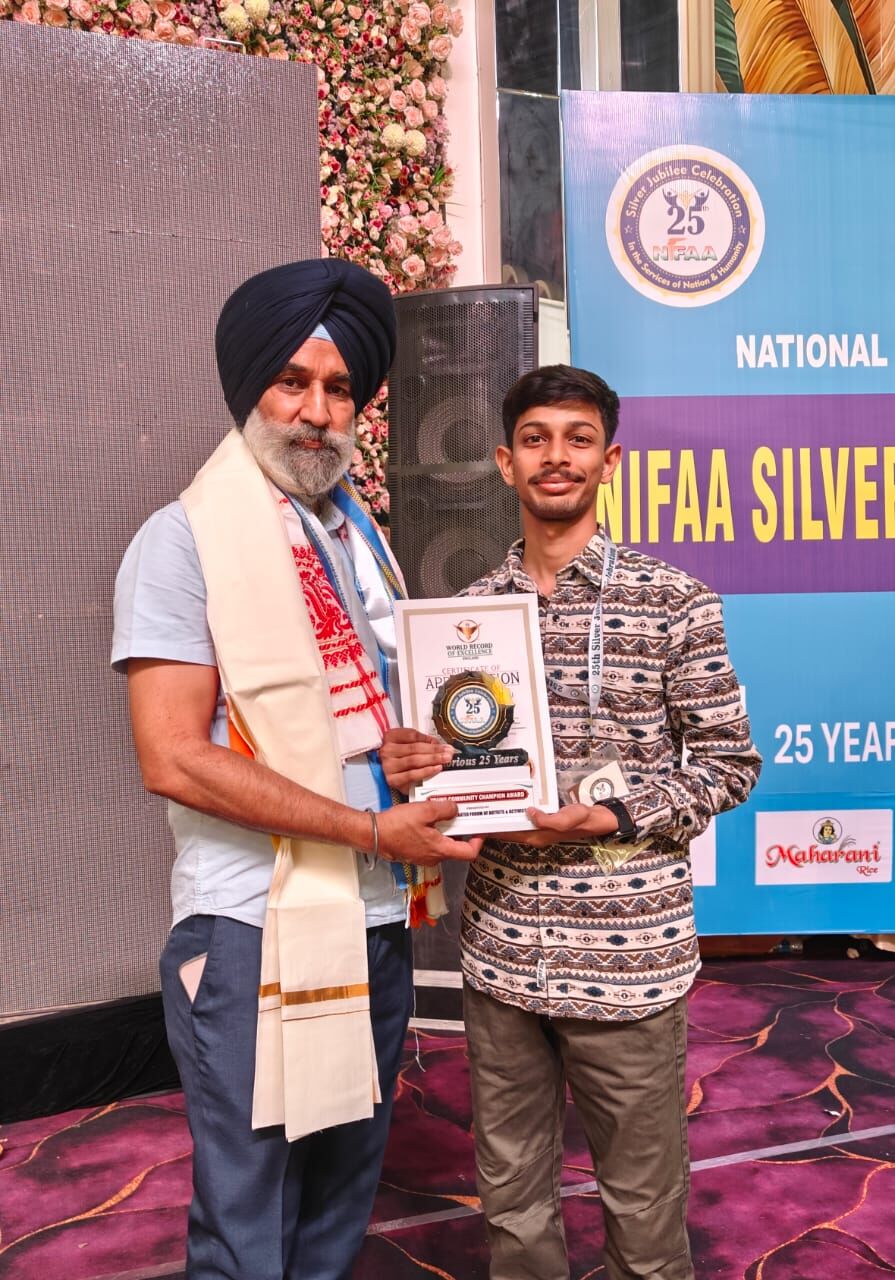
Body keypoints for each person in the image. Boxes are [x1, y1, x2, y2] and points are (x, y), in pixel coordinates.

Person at [111, 258, 479, 1280]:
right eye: (292, 382)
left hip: (374, 915)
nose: (317, 411)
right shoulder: (182, 542)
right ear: (250, 390)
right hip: (248, 927)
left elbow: (353, 726)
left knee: (339, 1200)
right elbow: (173, 755)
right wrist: (366, 827)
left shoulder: (356, 539)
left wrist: (402, 755)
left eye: (339, 388)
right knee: (249, 1212)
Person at [381, 364, 762, 1280]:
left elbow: (728, 764)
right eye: (537, 439)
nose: (557, 457)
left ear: (609, 461)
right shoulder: (463, 619)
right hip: (504, 956)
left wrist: (611, 814)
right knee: (511, 1206)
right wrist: (412, 767)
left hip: (628, 962)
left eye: (578, 438)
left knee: (643, 1212)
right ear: (504, 462)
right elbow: (446, 778)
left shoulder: (675, 602)